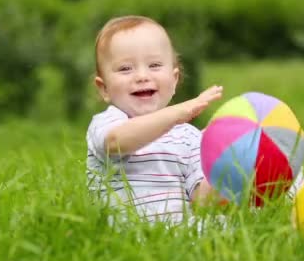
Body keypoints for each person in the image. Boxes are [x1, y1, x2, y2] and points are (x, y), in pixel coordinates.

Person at [86, 15, 223, 224]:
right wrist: (179, 112)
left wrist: (227, 161)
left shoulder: (188, 136)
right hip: (127, 235)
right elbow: (117, 142)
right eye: (125, 69)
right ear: (104, 88)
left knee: (222, 224)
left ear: (174, 80)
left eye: (155, 65)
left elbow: (202, 201)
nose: (142, 76)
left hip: (181, 237)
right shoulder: (108, 122)